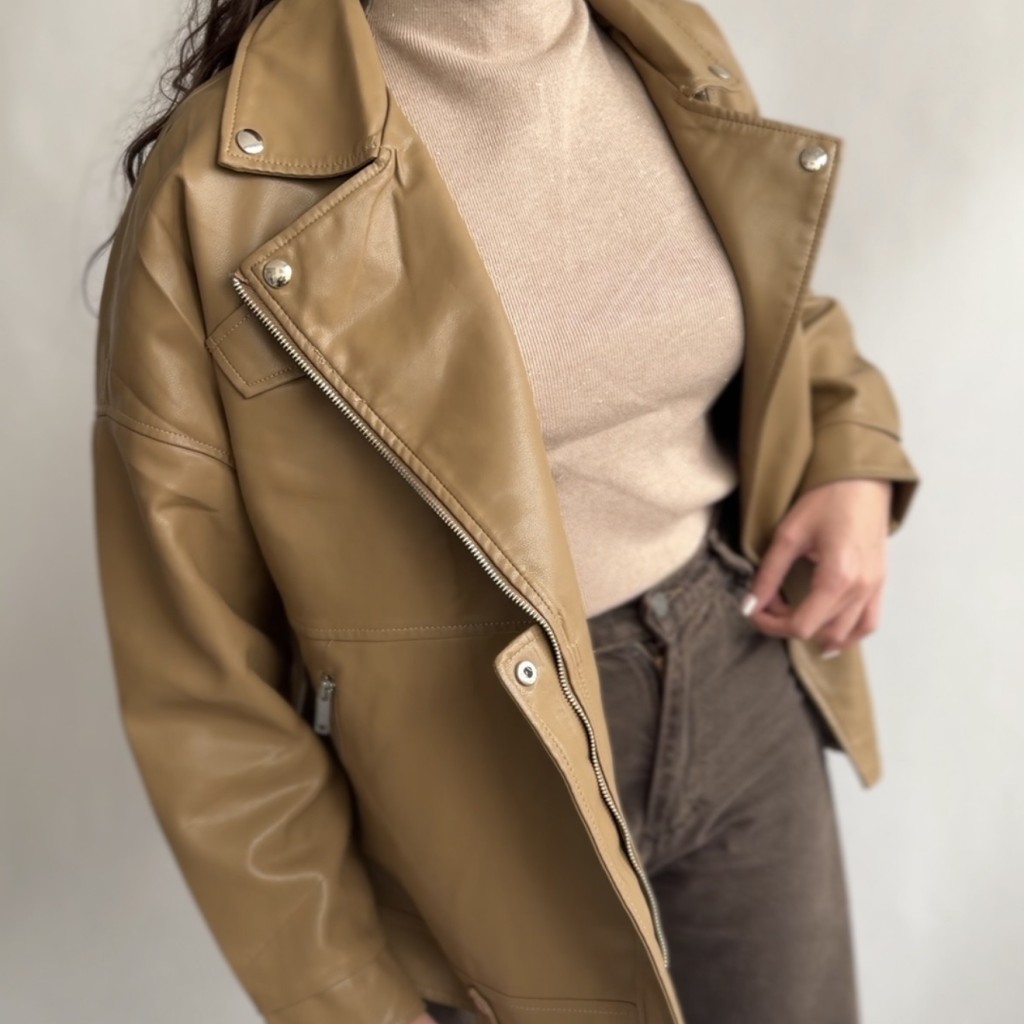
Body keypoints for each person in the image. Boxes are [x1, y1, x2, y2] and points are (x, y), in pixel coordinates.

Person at [89, 1, 921, 1023]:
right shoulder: (223, 181)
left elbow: (773, 308)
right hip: (479, 790)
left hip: (742, 672)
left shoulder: (660, 37)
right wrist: (350, 1005)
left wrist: (848, 456)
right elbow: (200, 684)